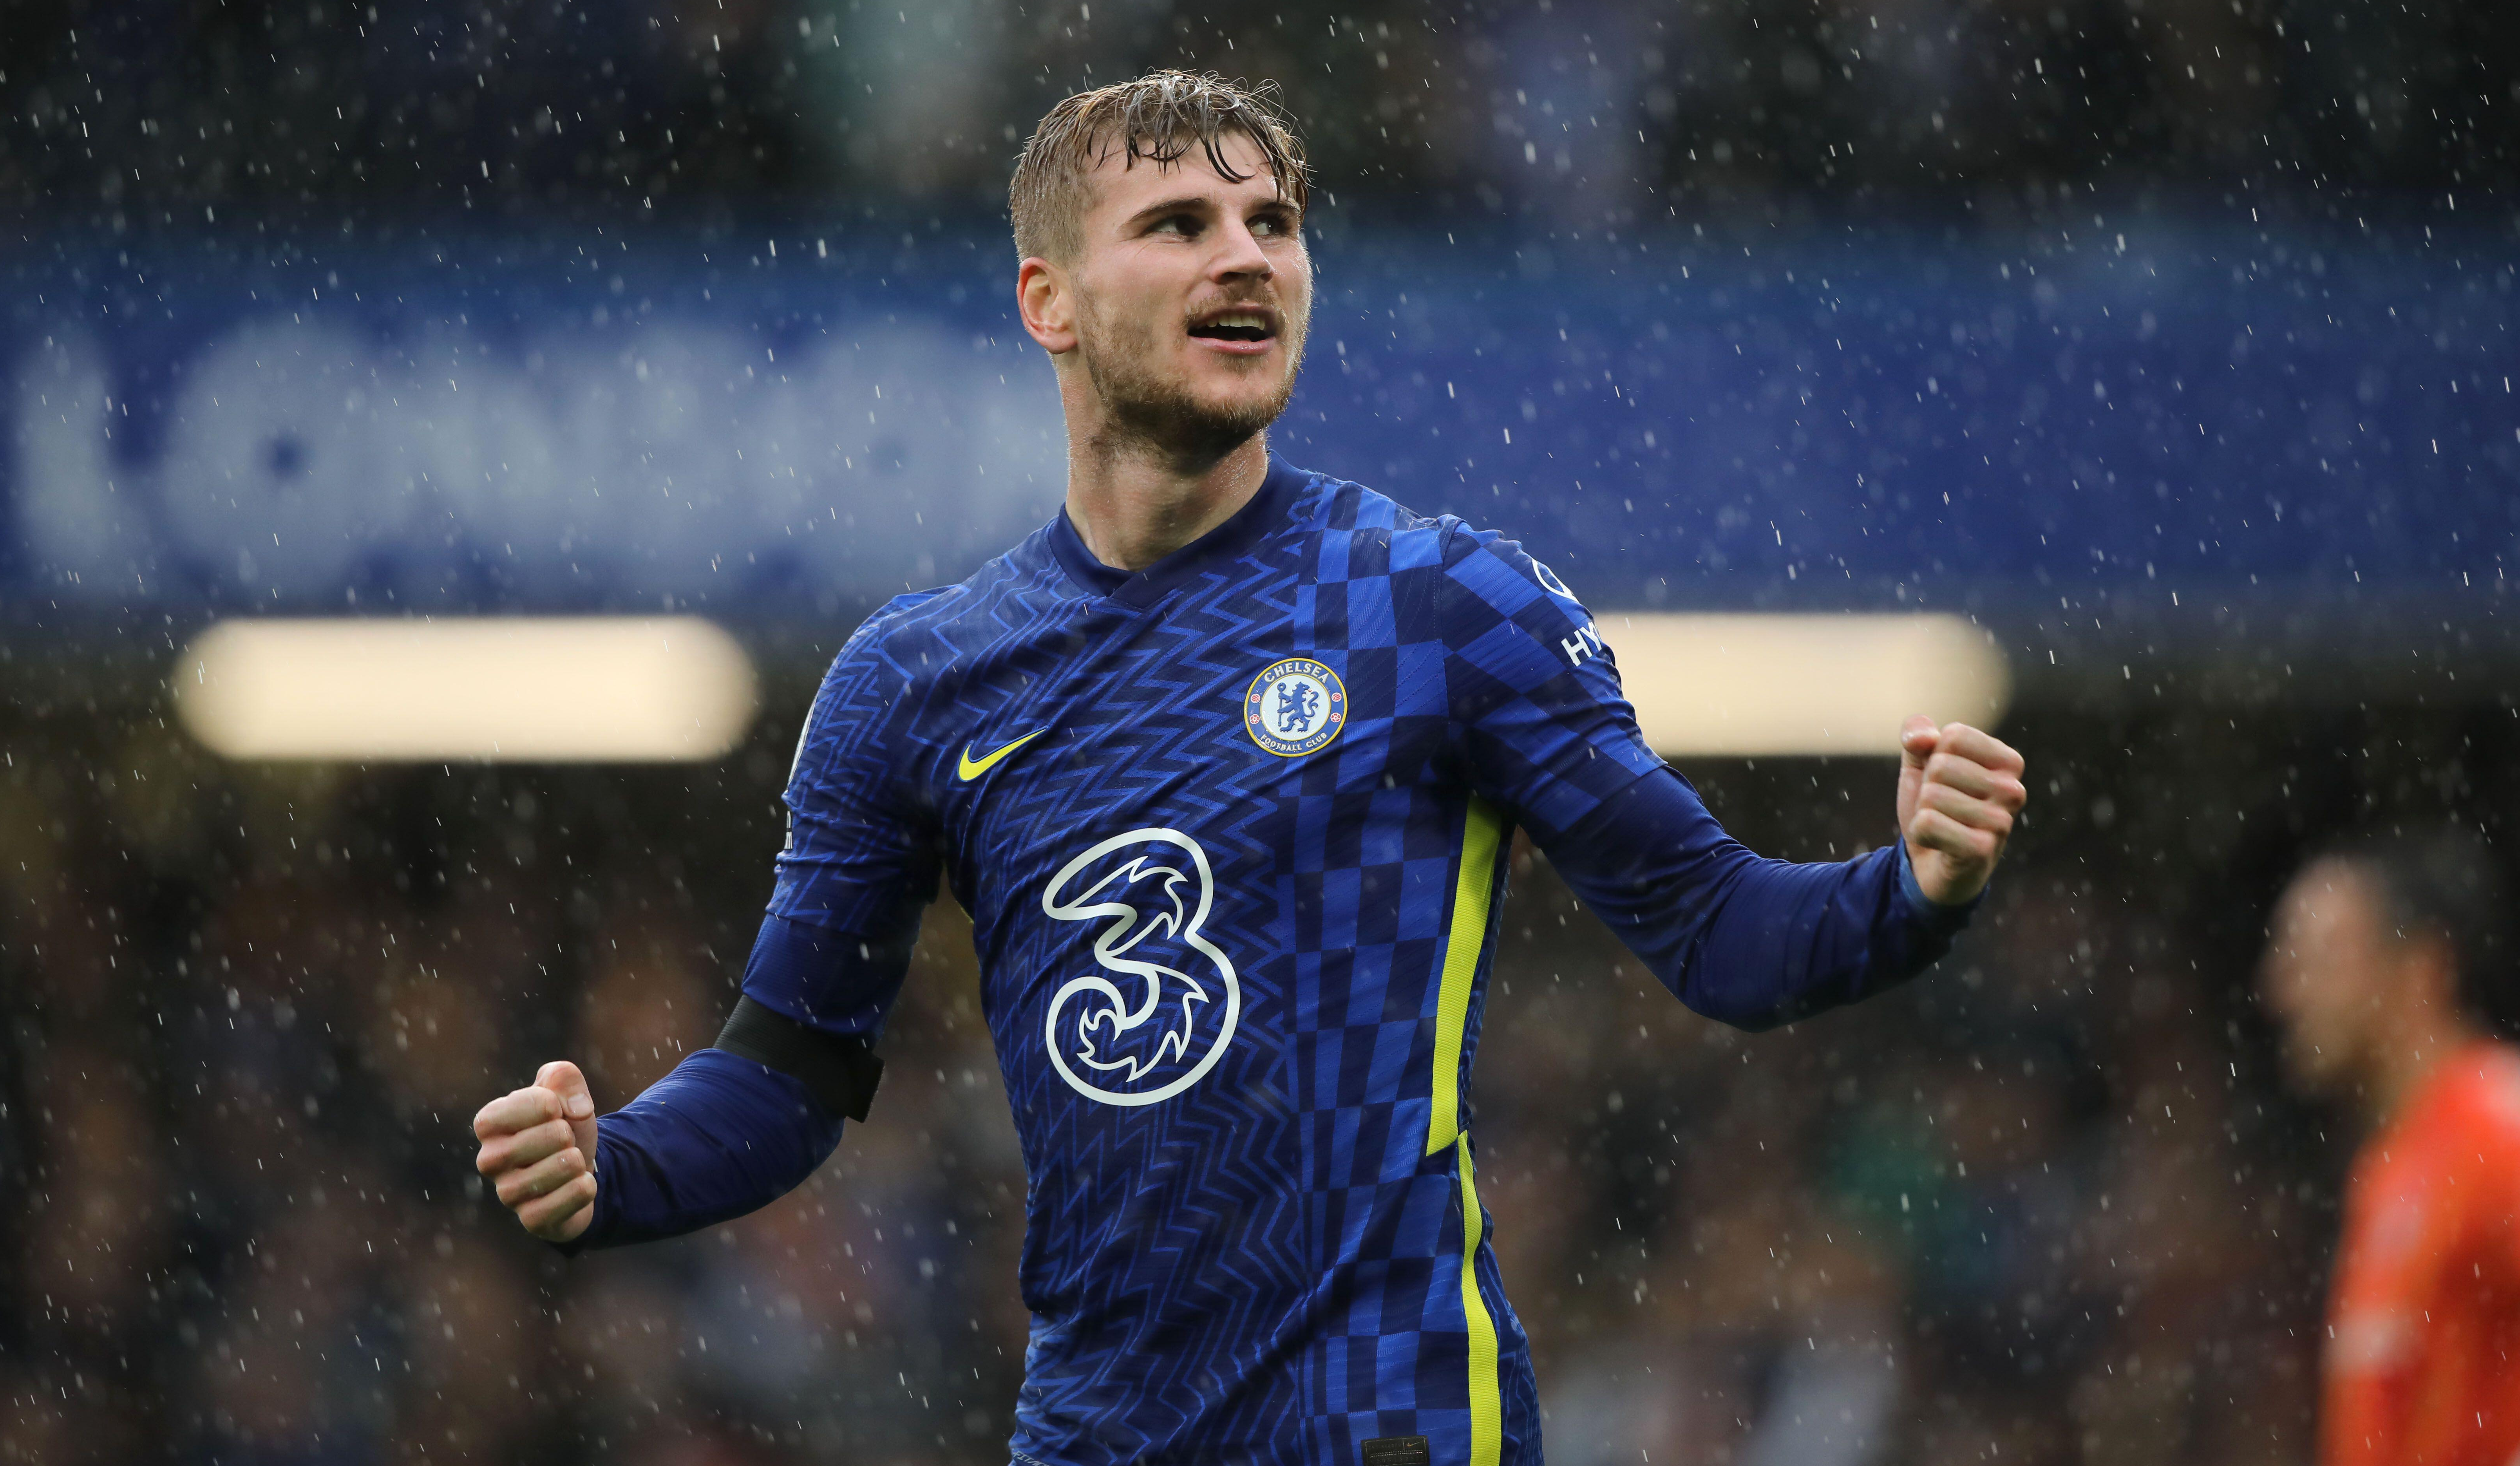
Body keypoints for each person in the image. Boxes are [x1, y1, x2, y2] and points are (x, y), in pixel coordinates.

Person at [471, 71, 2027, 1466]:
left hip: (1392, 1418)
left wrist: (1913, 885)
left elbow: (1722, 933)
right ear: (1050, 299)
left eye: (1272, 220)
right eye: (1177, 221)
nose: (1247, 253)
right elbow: (790, 1069)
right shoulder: (916, 679)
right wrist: (622, 1163)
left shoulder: (1436, 606)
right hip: (1094, 1430)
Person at [2260, 830, 2520, 1466]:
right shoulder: (2388, 1162)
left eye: (2318, 959)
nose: (2283, 991)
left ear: (2421, 969)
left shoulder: (2498, 1116)